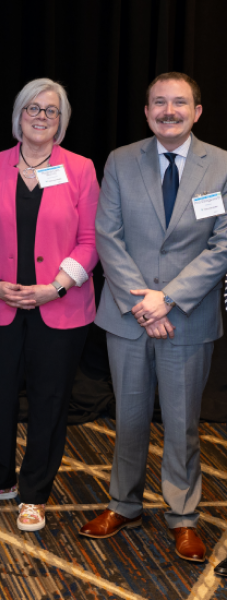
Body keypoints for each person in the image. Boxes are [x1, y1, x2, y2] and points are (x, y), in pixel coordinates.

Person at [81, 72, 227, 563]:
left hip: (188, 316)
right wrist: (145, 304)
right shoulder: (122, 160)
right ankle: (123, 504)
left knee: (184, 423)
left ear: (197, 111)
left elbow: (222, 244)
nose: (169, 110)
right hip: (129, 314)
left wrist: (169, 298)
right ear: (146, 113)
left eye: (179, 103)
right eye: (159, 103)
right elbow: (108, 234)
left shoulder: (222, 165)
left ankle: (183, 516)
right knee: (129, 417)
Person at [0, 79, 99, 532]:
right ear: (18, 116)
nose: (40, 117)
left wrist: (53, 287)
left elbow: (91, 241)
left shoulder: (81, 169)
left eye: (50, 111)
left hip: (60, 306)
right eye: (32, 108)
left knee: (49, 400)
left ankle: (34, 492)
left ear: (62, 121)